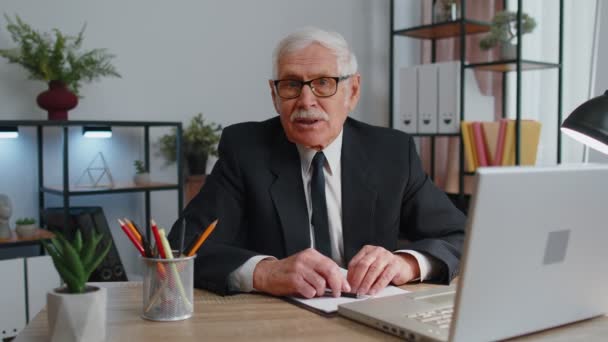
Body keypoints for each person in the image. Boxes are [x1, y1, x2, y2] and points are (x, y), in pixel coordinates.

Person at [169, 27, 465, 298]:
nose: (306, 100)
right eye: (291, 85)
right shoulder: (246, 150)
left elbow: (461, 236)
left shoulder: (391, 153)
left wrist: (408, 264)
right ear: (274, 95)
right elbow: (183, 247)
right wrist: (264, 273)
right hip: (275, 323)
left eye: (324, 83)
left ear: (353, 91)